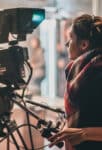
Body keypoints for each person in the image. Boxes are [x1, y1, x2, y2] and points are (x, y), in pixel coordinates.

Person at [48, 14, 102, 150]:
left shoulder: (97, 75)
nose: (67, 44)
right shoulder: (82, 75)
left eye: (70, 38)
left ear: (84, 44)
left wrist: (84, 133)